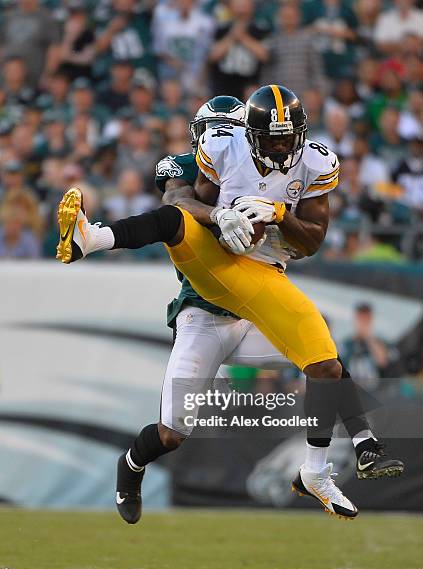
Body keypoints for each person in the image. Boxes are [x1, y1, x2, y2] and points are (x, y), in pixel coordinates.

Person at [56, 86, 404, 523]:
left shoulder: (309, 162)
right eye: (211, 132)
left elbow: (311, 237)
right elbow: (177, 201)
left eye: (228, 128)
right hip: (204, 308)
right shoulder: (199, 160)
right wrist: (223, 215)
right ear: (203, 138)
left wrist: (275, 213)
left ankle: (332, 462)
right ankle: (130, 465)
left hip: (255, 305)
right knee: (171, 433)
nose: (219, 136)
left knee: (324, 358)